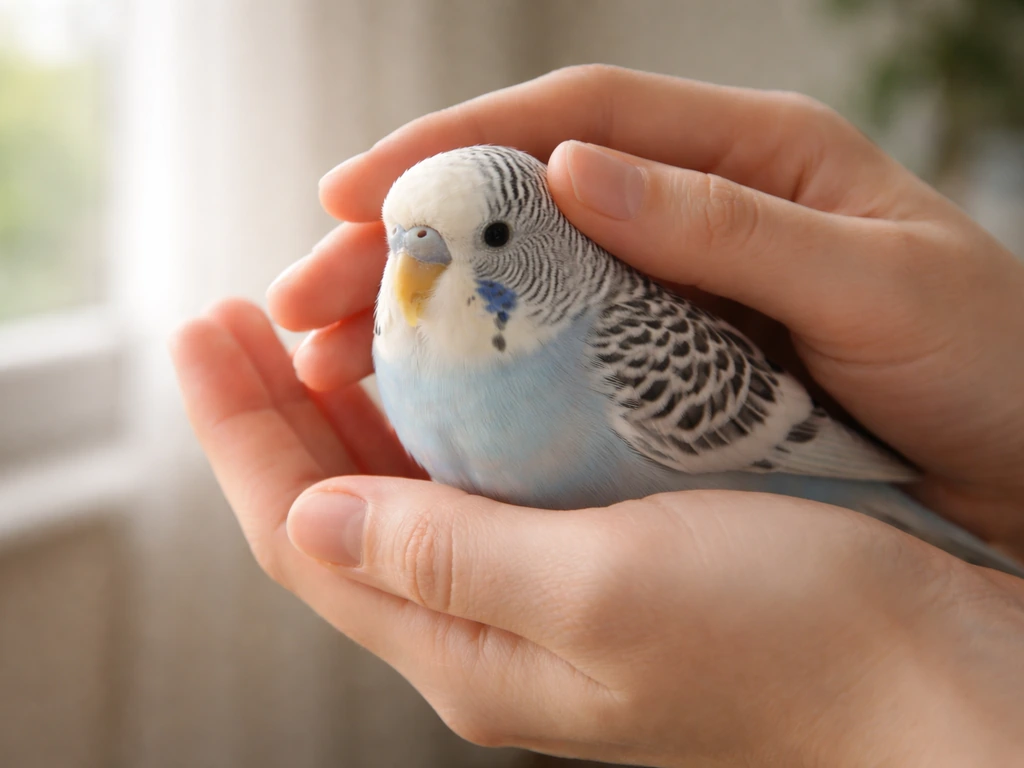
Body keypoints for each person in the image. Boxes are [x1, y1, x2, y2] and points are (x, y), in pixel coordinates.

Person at [169, 66, 1024, 766]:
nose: (419, 270)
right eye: (407, 241)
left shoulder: (619, 347)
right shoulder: (397, 355)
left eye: (492, 240)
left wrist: (914, 645)